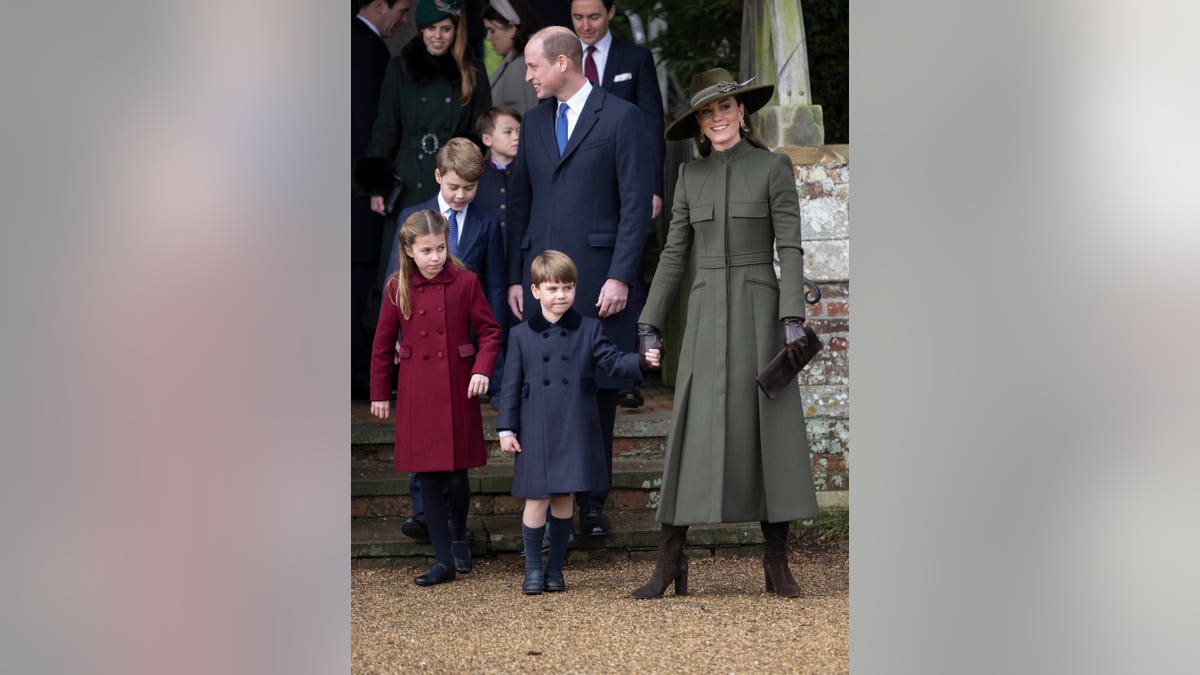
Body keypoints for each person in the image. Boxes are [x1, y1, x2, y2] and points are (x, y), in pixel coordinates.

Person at [631, 68, 820, 599]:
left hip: (762, 311)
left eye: (726, 108)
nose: (718, 118)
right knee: (694, 427)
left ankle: (776, 563)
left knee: (771, 431)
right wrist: (648, 322)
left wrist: (790, 317)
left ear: (741, 112)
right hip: (707, 311)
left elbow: (791, 246)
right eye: (708, 112)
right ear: (699, 123)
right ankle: (670, 560)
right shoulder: (690, 178)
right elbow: (673, 255)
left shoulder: (772, 167)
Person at [506, 26, 652, 538]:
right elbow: (519, 207)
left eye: (533, 66)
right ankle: (545, 504)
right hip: (541, 285)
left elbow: (636, 207)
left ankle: (591, 506)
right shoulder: (533, 122)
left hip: (597, 285)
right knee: (542, 393)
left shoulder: (622, 118)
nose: (527, 76)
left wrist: (620, 276)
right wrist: (514, 279)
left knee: (597, 394)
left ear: (563, 62)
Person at [497, 251, 659, 594]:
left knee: (564, 500)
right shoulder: (521, 335)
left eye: (567, 288)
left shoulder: (589, 328)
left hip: (574, 425)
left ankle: (555, 570)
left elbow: (613, 361)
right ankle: (533, 570)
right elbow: (510, 385)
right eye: (553, 288)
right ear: (536, 291)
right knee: (536, 499)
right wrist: (506, 429)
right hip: (536, 428)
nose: (561, 295)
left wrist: (641, 363)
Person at [382, 137, 507, 543]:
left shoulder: (487, 224)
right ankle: (423, 514)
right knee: (422, 433)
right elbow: (394, 279)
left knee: (452, 439)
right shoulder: (411, 216)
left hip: (460, 348)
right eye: (453, 187)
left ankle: (453, 524)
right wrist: (400, 334)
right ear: (439, 177)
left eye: (468, 189)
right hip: (419, 349)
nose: (459, 195)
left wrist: (489, 360)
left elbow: (495, 288)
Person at [370, 209, 501, 586]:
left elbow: (490, 332)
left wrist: (482, 368)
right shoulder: (397, 287)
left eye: (440, 248)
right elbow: (382, 344)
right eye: (426, 250)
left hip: (458, 384)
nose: (435, 257)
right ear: (409, 250)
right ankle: (442, 560)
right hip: (417, 388)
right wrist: (380, 392)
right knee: (427, 476)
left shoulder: (465, 282)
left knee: (457, 478)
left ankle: (459, 536)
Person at [356, 0, 493, 336]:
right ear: (420, 30)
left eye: (445, 29)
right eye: (431, 29)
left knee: (449, 261)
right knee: (399, 267)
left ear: (456, 30)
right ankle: (394, 354)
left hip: (450, 177)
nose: (438, 36)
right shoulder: (401, 66)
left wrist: (467, 172)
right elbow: (386, 125)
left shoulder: (471, 69)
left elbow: (479, 126)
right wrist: (377, 183)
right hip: (408, 176)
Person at [570, 0, 665, 408]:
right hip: (586, 184)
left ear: (610, 12)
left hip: (628, 180)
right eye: (577, 17)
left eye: (593, 16)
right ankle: (583, 365)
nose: (585, 25)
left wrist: (653, 187)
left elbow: (651, 124)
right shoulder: (565, 57)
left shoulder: (635, 58)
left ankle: (628, 374)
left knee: (629, 273)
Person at [352, 0, 413, 400]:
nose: (404, 20)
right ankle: (361, 375)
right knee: (361, 284)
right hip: (360, 197)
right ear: (379, 5)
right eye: (402, 10)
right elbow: (368, 128)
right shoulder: (368, 51)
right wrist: (375, 185)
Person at [482, 0, 540, 114]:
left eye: (492, 30)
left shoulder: (520, 67)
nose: (488, 37)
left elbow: (523, 119)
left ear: (512, 28)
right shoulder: (516, 63)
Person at [473, 105, 521, 233]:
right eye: (508, 132)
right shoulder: (476, 175)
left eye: (519, 131)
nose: (516, 137)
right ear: (487, 139)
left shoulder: (530, 171)